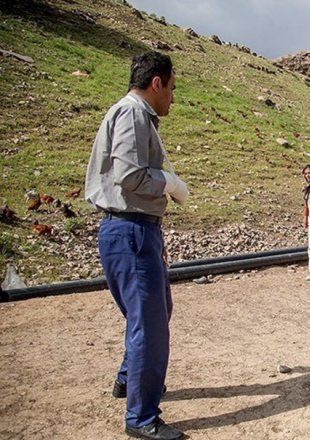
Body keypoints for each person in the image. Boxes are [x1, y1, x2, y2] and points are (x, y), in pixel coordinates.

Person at [85, 51, 187, 440]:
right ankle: (141, 418)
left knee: (155, 312)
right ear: (157, 83)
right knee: (149, 324)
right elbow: (129, 175)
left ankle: (129, 381)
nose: (173, 98)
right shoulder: (131, 113)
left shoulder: (133, 115)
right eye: (172, 88)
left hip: (136, 229)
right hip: (131, 229)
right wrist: (170, 184)